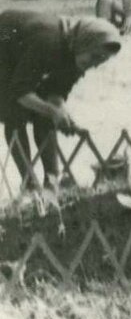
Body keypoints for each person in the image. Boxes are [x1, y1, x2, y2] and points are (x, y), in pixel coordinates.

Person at [0, 11, 121, 189]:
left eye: (100, 62)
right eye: (94, 57)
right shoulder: (49, 42)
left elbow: (56, 92)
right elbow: (20, 92)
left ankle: (51, 182)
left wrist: (62, 113)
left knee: (45, 115)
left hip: (23, 50)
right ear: (84, 43)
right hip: (5, 43)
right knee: (15, 114)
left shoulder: (76, 51)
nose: (94, 65)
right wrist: (53, 111)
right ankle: (30, 185)